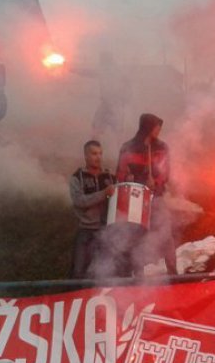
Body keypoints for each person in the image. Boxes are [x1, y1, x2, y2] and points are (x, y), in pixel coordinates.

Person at [114, 113, 178, 275]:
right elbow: (121, 175)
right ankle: (138, 274)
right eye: (156, 127)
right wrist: (134, 183)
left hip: (156, 198)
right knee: (137, 235)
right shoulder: (128, 148)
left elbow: (166, 172)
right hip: (136, 199)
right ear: (147, 128)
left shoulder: (162, 148)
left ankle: (173, 272)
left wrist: (156, 183)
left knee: (166, 235)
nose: (159, 131)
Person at [69, 140, 116, 279]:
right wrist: (104, 194)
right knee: (78, 272)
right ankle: (76, 298)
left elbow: (120, 200)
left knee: (104, 272)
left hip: (106, 232)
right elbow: (79, 201)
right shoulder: (77, 177)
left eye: (100, 153)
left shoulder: (110, 177)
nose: (98, 157)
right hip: (85, 231)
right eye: (94, 153)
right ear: (86, 155)